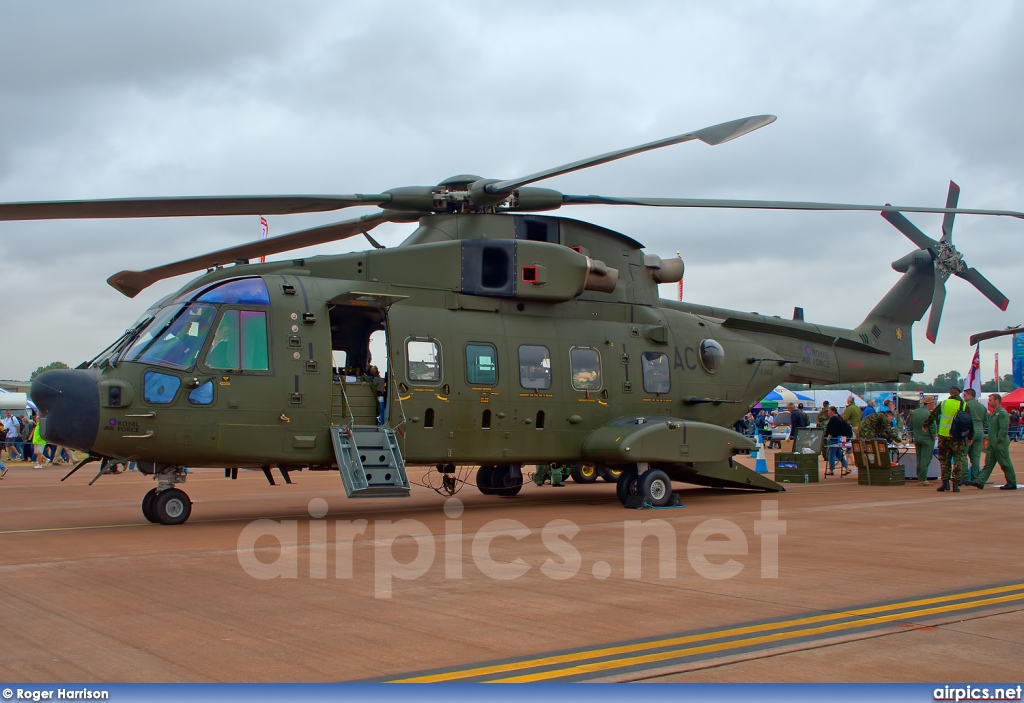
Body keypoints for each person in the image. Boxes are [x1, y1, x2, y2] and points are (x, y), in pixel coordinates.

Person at [967, 393, 1017, 490]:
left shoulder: (1002, 413)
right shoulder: (994, 412)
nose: (989, 402)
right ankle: (980, 481)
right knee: (989, 463)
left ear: (997, 401)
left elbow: (1003, 429)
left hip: (999, 443)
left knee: (1005, 463)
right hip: (993, 443)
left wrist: (999, 441)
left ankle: (1011, 482)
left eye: (990, 400)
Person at [926, 386, 970, 493]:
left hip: (944, 436)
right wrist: (969, 436)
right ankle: (955, 484)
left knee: (944, 461)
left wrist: (926, 425)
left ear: (950, 393)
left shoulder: (943, 403)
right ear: (958, 394)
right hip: (958, 437)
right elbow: (969, 421)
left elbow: (933, 415)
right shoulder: (963, 405)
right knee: (958, 460)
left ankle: (945, 483)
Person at [909, 397, 938, 485]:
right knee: (925, 459)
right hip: (927, 439)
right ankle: (922, 479)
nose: (934, 405)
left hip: (917, 438)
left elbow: (910, 425)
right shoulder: (929, 413)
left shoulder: (915, 412)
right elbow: (932, 427)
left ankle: (919, 477)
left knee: (919, 458)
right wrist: (934, 437)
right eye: (933, 403)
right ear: (929, 403)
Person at [962, 388, 989, 485]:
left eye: (964, 395)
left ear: (970, 395)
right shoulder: (982, 407)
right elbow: (986, 422)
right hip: (980, 431)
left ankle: (964, 476)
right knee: (976, 456)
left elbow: (962, 420)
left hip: (969, 431)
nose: (963, 397)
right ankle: (975, 477)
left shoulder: (965, 406)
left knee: (963, 454)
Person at [824, 406, 852, 475]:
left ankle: (831, 470)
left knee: (831, 454)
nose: (828, 412)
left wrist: (829, 435)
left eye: (829, 411)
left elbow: (833, 429)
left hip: (834, 439)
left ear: (833, 411)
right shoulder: (839, 418)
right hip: (839, 438)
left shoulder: (834, 419)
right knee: (839, 454)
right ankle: (847, 468)